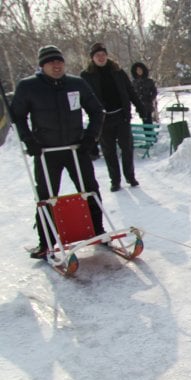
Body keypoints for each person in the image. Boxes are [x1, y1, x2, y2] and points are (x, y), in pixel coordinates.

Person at [10, 45, 106, 259]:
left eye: (60, 61)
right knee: (46, 196)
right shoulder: (28, 87)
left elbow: (97, 111)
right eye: (51, 62)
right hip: (46, 152)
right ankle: (45, 242)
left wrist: (90, 137)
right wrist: (30, 140)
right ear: (42, 65)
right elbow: (17, 116)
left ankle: (98, 230)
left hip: (75, 148)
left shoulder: (76, 84)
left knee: (89, 189)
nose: (57, 65)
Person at [81, 42, 145, 192]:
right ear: (92, 58)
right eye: (98, 56)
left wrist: (140, 107)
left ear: (107, 55)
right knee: (109, 151)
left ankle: (130, 176)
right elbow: (83, 98)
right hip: (102, 120)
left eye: (103, 54)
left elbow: (130, 91)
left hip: (121, 116)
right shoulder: (86, 76)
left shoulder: (117, 71)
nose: (101, 58)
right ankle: (115, 181)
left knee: (127, 148)